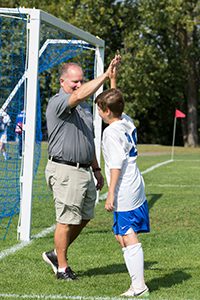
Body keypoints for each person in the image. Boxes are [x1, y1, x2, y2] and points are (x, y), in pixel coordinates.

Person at [43, 54, 121, 281]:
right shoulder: (58, 102)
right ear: (62, 82)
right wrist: (105, 75)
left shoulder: (84, 110)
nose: (78, 84)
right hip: (64, 170)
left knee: (83, 216)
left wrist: (96, 169)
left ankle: (55, 254)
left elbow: (87, 140)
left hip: (84, 170)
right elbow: (78, 95)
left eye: (80, 80)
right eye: (74, 81)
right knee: (66, 219)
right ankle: (62, 268)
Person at [94, 66, 150, 297]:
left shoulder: (111, 133)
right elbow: (116, 102)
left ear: (106, 111)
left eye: (99, 108)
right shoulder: (125, 120)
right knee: (121, 235)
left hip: (125, 187)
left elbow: (115, 165)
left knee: (126, 233)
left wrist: (111, 194)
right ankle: (137, 283)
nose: (98, 112)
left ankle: (139, 287)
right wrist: (113, 81)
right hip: (136, 183)